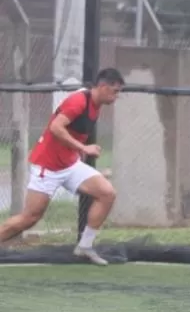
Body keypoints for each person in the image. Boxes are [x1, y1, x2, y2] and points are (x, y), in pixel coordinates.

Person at [0, 68, 122, 265]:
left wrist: (78, 151)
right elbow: (56, 127)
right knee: (30, 218)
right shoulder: (78, 101)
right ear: (103, 87)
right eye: (115, 91)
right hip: (47, 167)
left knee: (107, 193)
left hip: (70, 164)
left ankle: (84, 247)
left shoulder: (96, 104)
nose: (117, 96)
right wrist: (83, 148)